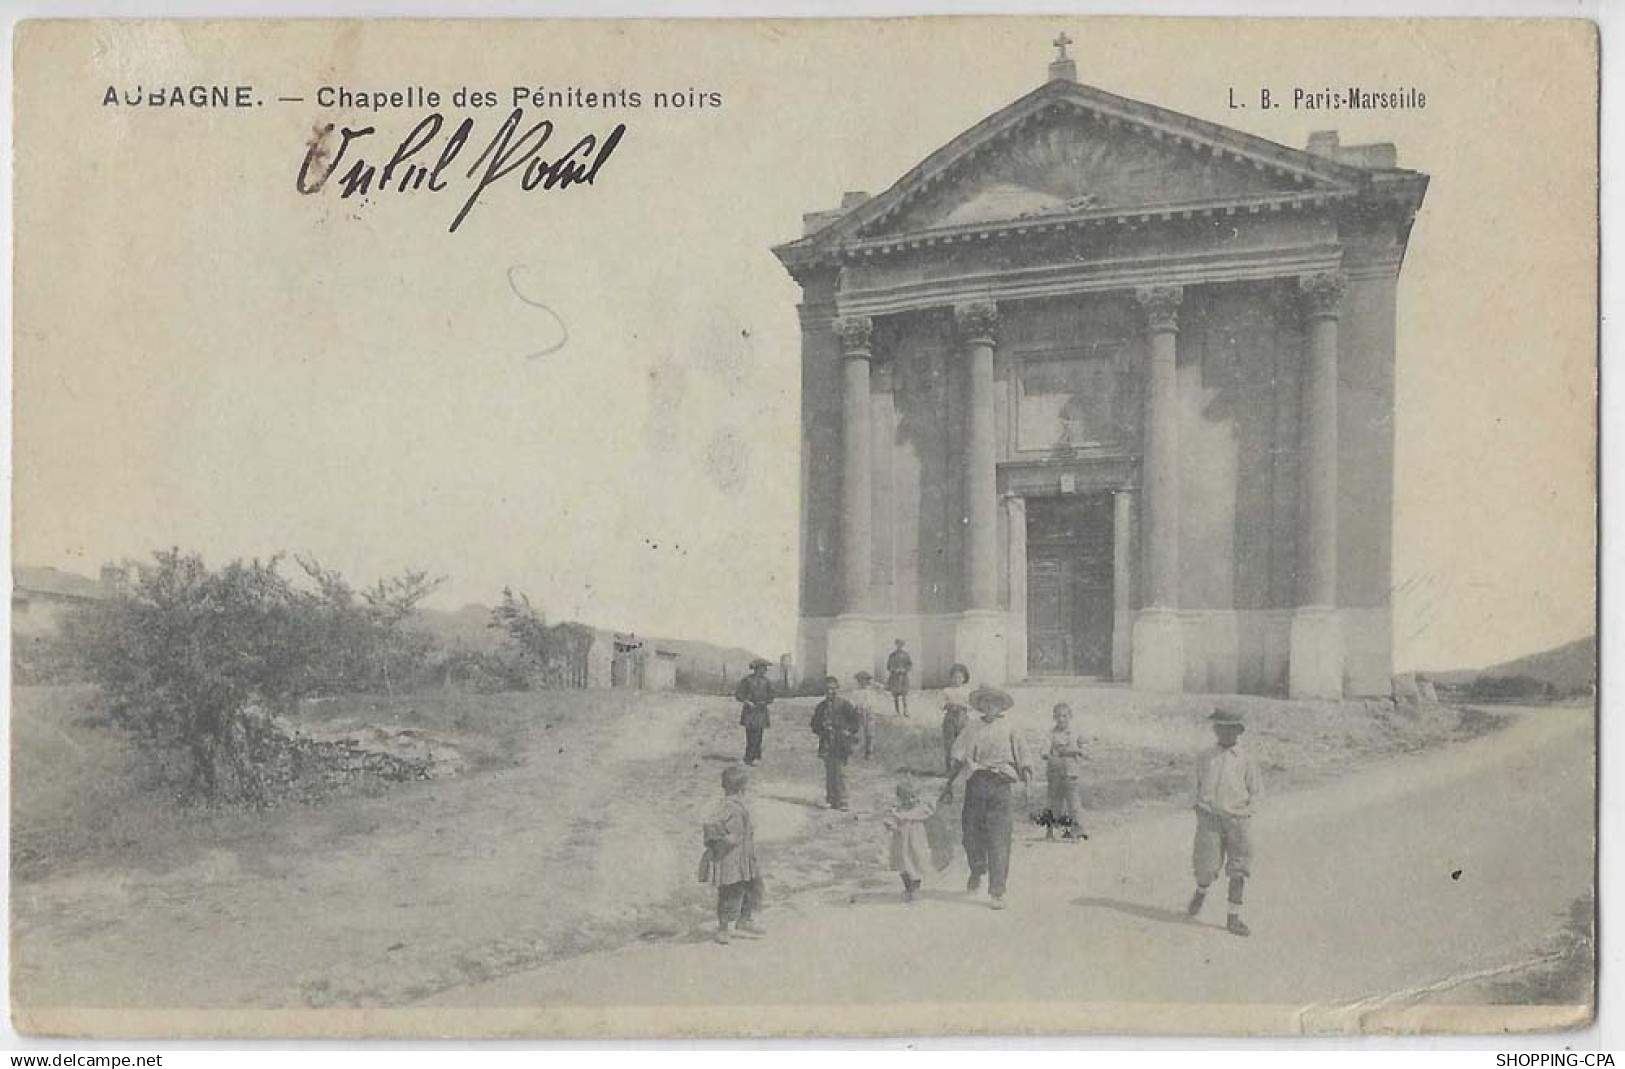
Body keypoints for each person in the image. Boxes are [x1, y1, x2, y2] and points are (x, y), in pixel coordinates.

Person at [944, 685, 1034, 910]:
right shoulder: (972, 727)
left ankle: (997, 891)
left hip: (1001, 785)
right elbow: (958, 756)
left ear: (1001, 706)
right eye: (986, 702)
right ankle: (977, 868)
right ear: (980, 705)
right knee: (971, 834)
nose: (990, 706)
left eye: (995, 702)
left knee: (999, 838)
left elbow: (1024, 757)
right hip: (976, 784)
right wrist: (948, 784)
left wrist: (1028, 784)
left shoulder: (1011, 727)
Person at [1187, 708, 1262, 937]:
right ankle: (1201, 890)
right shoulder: (1205, 756)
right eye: (1219, 728)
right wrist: (1198, 807)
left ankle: (1233, 917)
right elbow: (1194, 784)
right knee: (1205, 866)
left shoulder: (1247, 759)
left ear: (1239, 731)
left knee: (1239, 867)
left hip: (1237, 820)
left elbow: (1256, 791)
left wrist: (1246, 811)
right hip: (1209, 817)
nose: (1223, 733)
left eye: (1229, 729)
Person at [698, 764, 765, 945]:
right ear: (742, 788)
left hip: (745, 858)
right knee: (730, 892)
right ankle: (723, 928)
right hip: (730, 859)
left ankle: (745, 919)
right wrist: (725, 838)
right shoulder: (727, 806)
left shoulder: (740, 805)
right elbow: (710, 826)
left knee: (752, 886)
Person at [809, 675, 863, 810]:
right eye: (827, 689)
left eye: (833, 689)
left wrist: (848, 731)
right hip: (827, 743)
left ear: (837, 689)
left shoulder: (844, 705)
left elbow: (855, 722)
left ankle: (843, 800)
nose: (830, 692)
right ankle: (831, 799)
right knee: (830, 772)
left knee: (841, 772)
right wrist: (822, 729)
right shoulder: (821, 707)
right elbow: (814, 725)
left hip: (841, 743)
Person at [883, 781, 936, 902]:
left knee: (917, 862)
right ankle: (908, 887)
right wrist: (890, 824)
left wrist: (904, 816)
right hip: (900, 842)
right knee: (902, 864)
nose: (911, 800)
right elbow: (890, 820)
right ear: (900, 798)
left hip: (915, 841)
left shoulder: (920, 809)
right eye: (907, 797)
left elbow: (926, 812)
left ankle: (915, 888)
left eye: (914, 797)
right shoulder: (897, 810)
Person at [1043, 702, 1087, 841]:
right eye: (1058, 716)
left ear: (1070, 716)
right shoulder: (1051, 734)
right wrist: (1053, 755)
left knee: (1073, 802)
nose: (1061, 719)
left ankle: (1078, 830)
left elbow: (1086, 750)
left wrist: (1075, 751)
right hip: (1055, 773)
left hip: (1071, 773)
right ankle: (1050, 831)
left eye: (1064, 716)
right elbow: (1044, 752)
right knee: (1053, 802)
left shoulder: (1076, 733)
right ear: (1054, 717)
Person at [735, 657, 776, 766]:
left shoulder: (767, 682)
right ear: (757, 669)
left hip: (761, 711)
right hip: (750, 711)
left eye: (765, 668)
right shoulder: (747, 680)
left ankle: (755, 756)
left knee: (759, 735)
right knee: (750, 735)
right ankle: (748, 757)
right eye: (763, 668)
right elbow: (738, 694)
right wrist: (747, 701)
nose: (765, 670)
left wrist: (765, 702)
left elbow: (772, 696)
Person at [939, 663, 973, 784]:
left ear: (964, 678)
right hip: (950, 718)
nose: (957, 680)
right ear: (951, 678)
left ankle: (962, 769)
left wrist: (962, 705)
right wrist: (949, 704)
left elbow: (971, 706)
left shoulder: (967, 691)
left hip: (963, 718)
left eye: (960, 677)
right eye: (955, 677)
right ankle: (949, 769)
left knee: (963, 743)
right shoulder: (947, 691)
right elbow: (941, 705)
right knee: (949, 744)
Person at [851, 670, 885, 760]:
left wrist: (872, 683)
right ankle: (857, 751)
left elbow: (882, 687)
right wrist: (856, 710)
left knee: (870, 732)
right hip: (860, 713)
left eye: (865, 680)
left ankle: (869, 752)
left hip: (870, 712)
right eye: (860, 680)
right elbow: (854, 703)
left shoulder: (871, 690)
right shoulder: (856, 692)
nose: (862, 682)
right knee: (859, 732)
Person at [885, 639, 913, 717]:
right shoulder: (892, 655)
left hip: (903, 677)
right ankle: (897, 712)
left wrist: (904, 669)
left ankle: (905, 711)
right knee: (895, 696)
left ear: (902, 645)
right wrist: (894, 670)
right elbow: (888, 666)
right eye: (898, 644)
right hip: (895, 678)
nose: (899, 646)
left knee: (904, 695)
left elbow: (910, 665)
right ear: (896, 645)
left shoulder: (906, 655)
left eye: (900, 644)